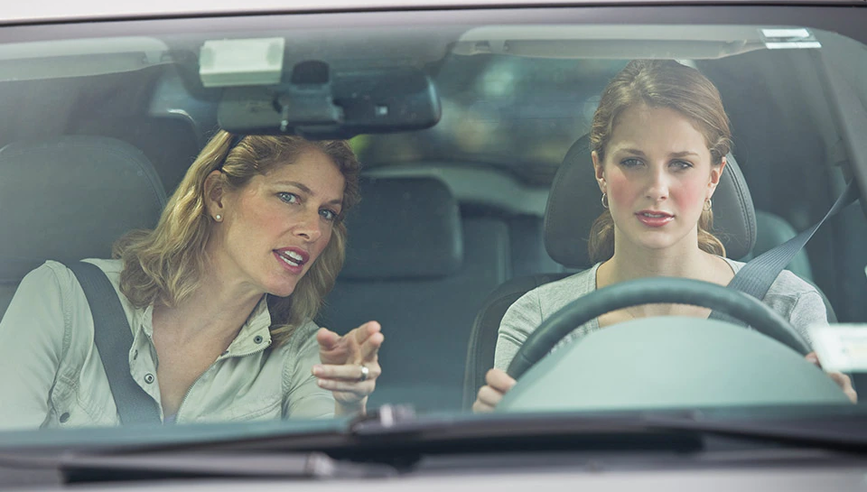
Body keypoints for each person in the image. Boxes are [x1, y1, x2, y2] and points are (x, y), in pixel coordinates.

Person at [473, 59, 857, 412]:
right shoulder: (537, 317)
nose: (657, 187)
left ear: (713, 177)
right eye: (633, 162)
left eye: (681, 164)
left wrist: (836, 423)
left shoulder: (787, 305)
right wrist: (491, 437)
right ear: (600, 171)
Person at [0, 131, 383, 428]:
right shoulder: (60, 299)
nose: (313, 230)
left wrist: (348, 406)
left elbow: (328, 473)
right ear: (217, 196)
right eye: (288, 197)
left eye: (328, 213)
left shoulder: (303, 355)